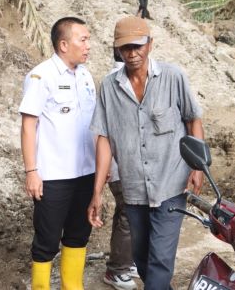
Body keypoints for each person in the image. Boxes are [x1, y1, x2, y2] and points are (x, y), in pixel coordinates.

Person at [87, 16, 204, 290]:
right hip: (134, 189)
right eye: (125, 48)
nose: (132, 53)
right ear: (118, 50)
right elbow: (103, 139)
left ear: (150, 44)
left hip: (170, 186)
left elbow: (193, 120)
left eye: (137, 46)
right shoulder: (109, 87)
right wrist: (97, 192)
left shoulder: (173, 77)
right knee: (141, 260)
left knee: (160, 261)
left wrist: (197, 166)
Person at [19, 16, 96, 290]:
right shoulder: (41, 76)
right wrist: (32, 171)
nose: (88, 45)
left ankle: (72, 287)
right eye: (83, 39)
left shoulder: (86, 76)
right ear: (64, 44)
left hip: (86, 172)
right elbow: (29, 126)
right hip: (53, 176)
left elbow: (92, 125)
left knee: (78, 235)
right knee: (47, 241)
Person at [103, 49, 138, 290]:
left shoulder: (121, 80)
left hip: (127, 166)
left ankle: (126, 260)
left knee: (128, 214)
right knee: (128, 214)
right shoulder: (118, 85)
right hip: (121, 166)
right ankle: (117, 269)